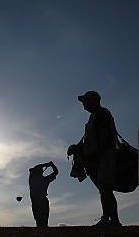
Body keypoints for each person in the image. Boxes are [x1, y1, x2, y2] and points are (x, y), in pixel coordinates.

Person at [69, 90, 122, 227]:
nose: (83, 104)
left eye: (85, 101)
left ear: (94, 101)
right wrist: (77, 147)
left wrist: (96, 155)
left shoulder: (102, 114)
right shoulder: (94, 116)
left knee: (105, 187)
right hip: (100, 156)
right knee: (104, 188)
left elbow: (104, 137)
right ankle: (110, 218)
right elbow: (87, 138)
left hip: (105, 155)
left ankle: (111, 219)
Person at [28, 161, 59, 227]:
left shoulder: (32, 178)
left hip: (38, 201)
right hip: (40, 201)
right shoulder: (44, 179)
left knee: (41, 221)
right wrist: (51, 165)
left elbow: (56, 172)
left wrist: (48, 165)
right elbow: (56, 172)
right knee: (41, 221)